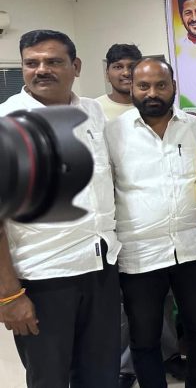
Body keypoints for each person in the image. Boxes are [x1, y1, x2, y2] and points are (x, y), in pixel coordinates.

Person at [0, 30, 121, 387]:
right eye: (31, 63)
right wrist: (9, 294)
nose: (41, 70)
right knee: (49, 379)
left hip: (100, 269)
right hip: (44, 278)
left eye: (53, 61)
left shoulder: (92, 111)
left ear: (76, 66)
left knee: (101, 375)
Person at [105, 58, 196, 388]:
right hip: (139, 254)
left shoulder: (194, 129)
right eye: (144, 86)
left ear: (173, 87)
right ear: (132, 88)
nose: (152, 93)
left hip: (192, 249)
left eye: (160, 85)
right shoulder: (113, 133)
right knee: (144, 337)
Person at [96, 43, 142, 120]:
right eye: (118, 67)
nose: (126, 73)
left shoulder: (151, 106)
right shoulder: (94, 108)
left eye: (132, 66)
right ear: (107, 74)